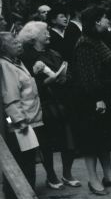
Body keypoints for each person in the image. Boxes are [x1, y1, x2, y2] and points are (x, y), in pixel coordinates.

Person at [68, 6, 111, 195]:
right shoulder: (85, 43)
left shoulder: (96, 40)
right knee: (91, 142)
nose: (107, 20)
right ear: (96, 21)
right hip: (91, 101)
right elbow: (88, 77)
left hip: (103, 97)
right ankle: (93, 180)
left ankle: (108, 175)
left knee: (104, 139)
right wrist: (98, 99)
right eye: (104, 18)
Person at [18, 21, 79, 189]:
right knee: (46, 143)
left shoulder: (53, 52)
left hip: (62, 102)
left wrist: (66, 77)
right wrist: (46, 81)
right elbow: (26, 85)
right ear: (34, 36)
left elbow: (69, 71)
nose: (49, 34)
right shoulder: (25, 57)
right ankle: (51, 176)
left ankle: (67, 173)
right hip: (43, 105)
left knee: (69, 140)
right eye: (45, 32)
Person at [0, 32, 44, 199]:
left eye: (18, 40)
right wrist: (19, 123)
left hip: (29, 121)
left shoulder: (16, 62)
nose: (19, 44)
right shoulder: (4, 65)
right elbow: (9, 98)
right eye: (13, 42)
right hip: (20, 123)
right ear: (2, 47)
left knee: (28, 162)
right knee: (23, 163)